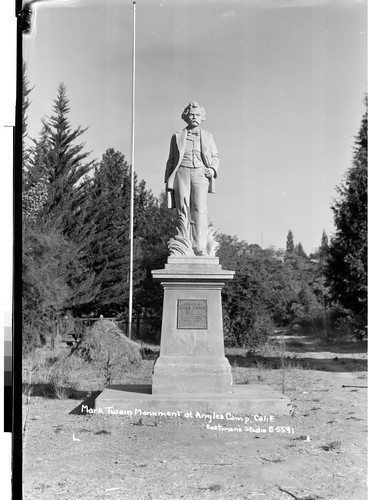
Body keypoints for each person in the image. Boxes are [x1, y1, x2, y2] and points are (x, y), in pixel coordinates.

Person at [164, 101, 220, 256]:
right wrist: (168, 182)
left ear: (202, 118)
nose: (195, 117)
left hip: (201, 173)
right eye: (192, 114)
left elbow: (216, 157)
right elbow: (170, 160)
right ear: (186, 117)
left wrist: (212, 169)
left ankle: (200, 245)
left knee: (200, 208)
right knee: (183, 208)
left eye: (198, 115)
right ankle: (185, 242)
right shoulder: (176, 137)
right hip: (181, 172)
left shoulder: (208, 136)